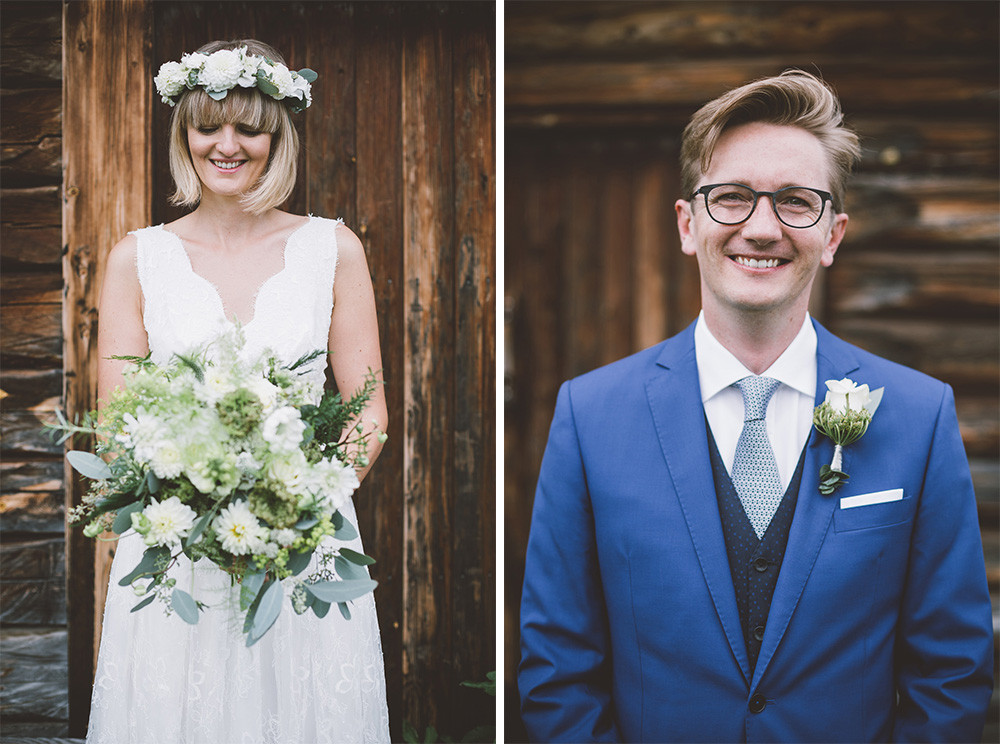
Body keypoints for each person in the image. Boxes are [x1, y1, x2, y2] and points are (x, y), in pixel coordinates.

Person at [519, 70, 994, 743]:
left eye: (797, 201)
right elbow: (558, 666)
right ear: (688, 225)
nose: (763, 228)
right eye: (733, 197)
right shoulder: (589, 417)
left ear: (833, 234)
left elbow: (950, 672)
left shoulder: (919, 416)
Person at [90, 39, 390, 743]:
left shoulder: (333, 250)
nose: (227, 145)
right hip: (176, 555)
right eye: (208, 126)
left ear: (277, 136)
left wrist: (296, 502)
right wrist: (191, 499)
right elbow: (116, 425)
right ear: (183, 134)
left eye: (249, 128)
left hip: (300, 547)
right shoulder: (138, 258)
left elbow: (367, 409)